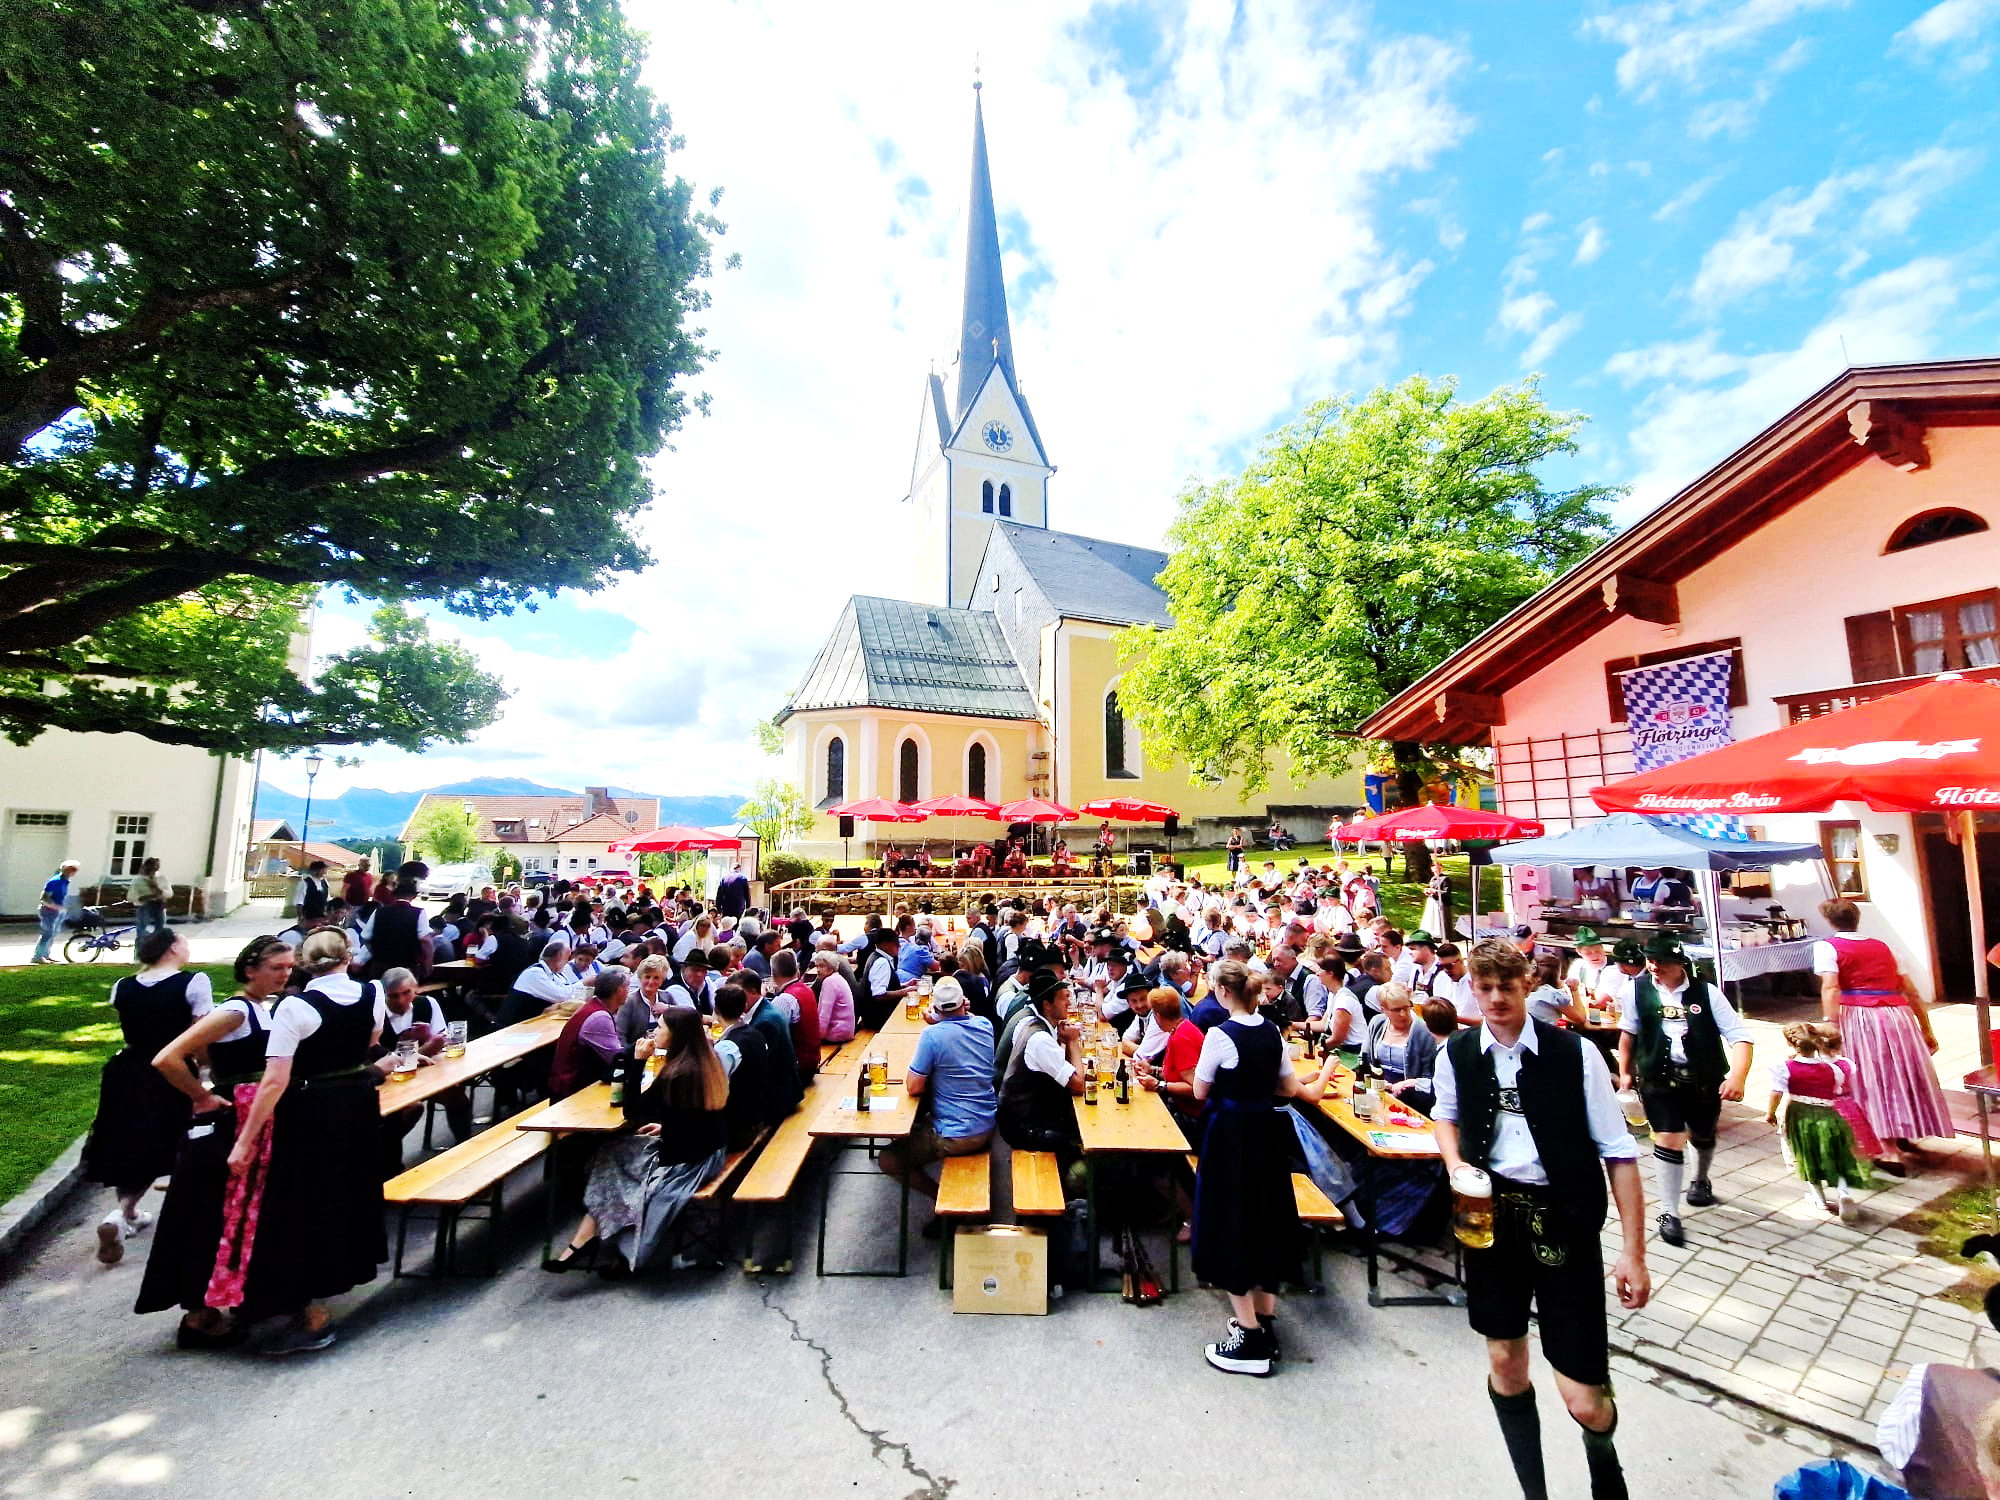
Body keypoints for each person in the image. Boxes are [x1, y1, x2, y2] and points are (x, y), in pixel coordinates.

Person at [1433, 939, 1650, 1500]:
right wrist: (1455, 1165)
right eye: (1485, 988)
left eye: (1507, 986)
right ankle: (1535, 1493)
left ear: (1527, 986)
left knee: (1585, 1398)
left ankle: (1603, 1459)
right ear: (1472, 989)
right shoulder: (1456, 1053)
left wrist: (1633, 1252)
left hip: (1564, 1221)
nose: (1496, 998)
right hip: (1488, 1220)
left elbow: (1619, 1153)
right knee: (1504, 1360)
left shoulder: (1575, 1054)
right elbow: (1445, 1116)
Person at [224, 927, 390, 1353]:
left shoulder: (295, 1006)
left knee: (298, 1203)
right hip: (356, 1104)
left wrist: (245, 1139)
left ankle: (304, 1304)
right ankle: (328, 1280)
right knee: (346, 1191)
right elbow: (371, 1041)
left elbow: (274, 1080)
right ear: (347, 957)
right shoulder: (372, 993)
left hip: (312, 1108)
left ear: (303, 963)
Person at [133, 936, 294, 1348]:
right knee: (218, 1212)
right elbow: (168, 1057)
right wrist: (202, 1096)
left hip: (256, 1119)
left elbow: (210, 1056)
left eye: (289, 967)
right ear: (250, 970)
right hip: (235, 1123)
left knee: (240, 1212)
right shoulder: (235, 1011)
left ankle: (228, 1300)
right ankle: (201, 1313)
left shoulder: (263, 1008)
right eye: (276, 968)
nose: (285, 974)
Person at [547, 1007, 729, 1276]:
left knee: (617, 1174)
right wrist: (669, 1126)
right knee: (611, 1153)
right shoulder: (705, 1061)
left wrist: (638, 1061)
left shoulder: (676, 1073)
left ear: (676, 1035)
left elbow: (631, 1111)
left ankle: (600, 1249)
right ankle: (583, 1242)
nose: (655, 1032)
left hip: (686, 1162)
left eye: (661, 1027)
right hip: (706, 1149)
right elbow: (700, 1114)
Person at [1190, 959, 1307, 1377]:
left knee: (1231, 1223)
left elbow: (1200, 1090)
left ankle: (1250, 1335)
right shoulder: (1272, 1031)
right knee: (1267, 1219)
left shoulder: (1220, 1035)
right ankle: (1266, 1319)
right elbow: (1288, 1086)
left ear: (1223, 991)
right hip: (1267, 1133)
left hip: (1231, 1136)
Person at [80, 929, 215, 1264]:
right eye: (184, 942)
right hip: (172, 1068)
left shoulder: (123, 986)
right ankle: (174, 1213)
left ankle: (124, 1213)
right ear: (172, 948)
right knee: (178, 1139)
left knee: (131, 1143)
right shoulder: (193, 982)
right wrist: (205, 1071)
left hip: (126, 1070)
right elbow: (200, 1034)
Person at [1615, 934, 1753, 1248]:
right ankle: (1669, 1212)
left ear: (1679, 963)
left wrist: (1738, 1077)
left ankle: (1700, 1179)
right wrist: (1625, 1073)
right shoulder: (1635, 990)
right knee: (1668, 1138)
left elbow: (1740, 1037)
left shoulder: (1707, 993)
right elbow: (1628, 1034)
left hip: (1703, 1081)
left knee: (1702, 1134)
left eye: (1661, 961)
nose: (1654, 966)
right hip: (1658, 1079)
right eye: (1650, 959)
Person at [1814, 897, 1949, 1177]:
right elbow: (1910, 990)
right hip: (1898, 1016)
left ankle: (1888, 1149)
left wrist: (1831, 1024)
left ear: (1830, 921)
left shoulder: (1827, 947)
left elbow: (1831, 987)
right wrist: (1925, 1027)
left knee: (1871, 1078)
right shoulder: (1886, 947)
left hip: (1861, 1017)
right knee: (1901, 1073)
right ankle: (1903, 1131)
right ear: (1856, 919)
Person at [880, 978, 997, 1233]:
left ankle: (946, 1201)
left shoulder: (932, 1036)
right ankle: (950, 1199)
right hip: (987, 1122)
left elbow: (914, 1087)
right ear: (964, 1003)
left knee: (888, 1159)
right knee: (920, 1123)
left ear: (935, 1008)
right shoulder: (984, 1026)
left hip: (957, 1135)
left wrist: (935, 1023)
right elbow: (962, 1024)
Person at [1767, 1021, 1875, 1222]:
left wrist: (1770, 1113)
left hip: (1800, 1115)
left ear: (1791, 1043)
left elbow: (1776, 1092)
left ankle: (1819, 1199)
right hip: (1829, 1115)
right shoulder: (1834, 1069)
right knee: (1835, 1155)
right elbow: (1834, 1090)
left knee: (1807, 1155)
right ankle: (1843, 1193)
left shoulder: (1785, 1067)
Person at [996, 971, 1086, 1170]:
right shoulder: (1040, 1040)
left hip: (1021, 1117)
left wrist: (1066, 1041)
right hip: (1024, 1127)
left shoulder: (1034, 1024)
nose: (1069, 1003)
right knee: (1079, 1141)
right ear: (1047, 1005)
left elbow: (1066, 1071)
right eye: (1063, 998)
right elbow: (1078, 1084)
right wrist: (1073, 1042)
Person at [549, 970, 632, 1100]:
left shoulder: (593, 1005)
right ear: (619, 990)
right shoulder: (599, 1017)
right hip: (571, 1092)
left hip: (566, 1084)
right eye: (627, 987)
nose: (629, 992)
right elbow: (617, 1058)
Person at [32, 858, 80, 964]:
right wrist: (55, 907)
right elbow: (44, 898)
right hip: (47, 911)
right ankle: (37, 957)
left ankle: (46, 955)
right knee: (47, 933)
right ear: (67, 870)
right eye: (73, 870)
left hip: (56, 911)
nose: (74, 873)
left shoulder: (65, 881)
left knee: (52, 934)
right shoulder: (55, 881)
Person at [811, 949, 856, 1044]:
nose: (818, 970)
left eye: (822, 966)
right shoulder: (837, 978)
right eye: (817, 966)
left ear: (831, 967)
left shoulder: (830, 982)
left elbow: (824, 1015)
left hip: (837, 1033)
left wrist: (816, 1037)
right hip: (846, 1031)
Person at [126, 857, 168, 949]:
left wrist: (161, 893)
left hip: (159, 905)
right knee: (141, 930)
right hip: (145, 906)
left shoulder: (162, 878)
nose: (155, 869)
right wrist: (142, 898)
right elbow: (130, 897)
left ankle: (157, 950)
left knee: (160, 930)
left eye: (157, 866)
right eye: (153, 866)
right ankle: (140, 951)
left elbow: (169, 893)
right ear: (147, 867)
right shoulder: (139, 880)